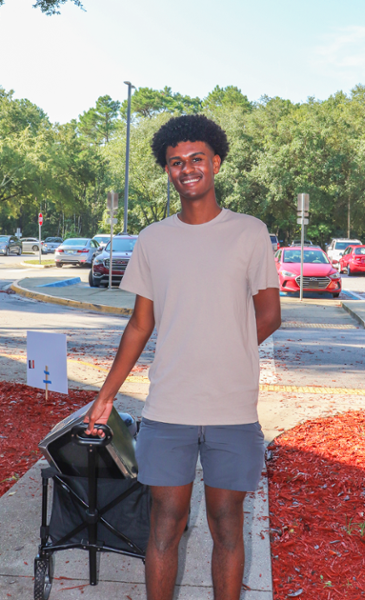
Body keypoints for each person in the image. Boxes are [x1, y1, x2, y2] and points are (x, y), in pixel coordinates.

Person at [84, 114, 281, 600]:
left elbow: (270, 314)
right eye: (176, 162)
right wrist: (105, 397)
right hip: (168, 409)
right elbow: (139, 324)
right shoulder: (152, 239)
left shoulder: (250, 233)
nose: (187, 169)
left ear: (216, 162)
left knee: (227, 526)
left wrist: (224, 350)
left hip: (231, 409)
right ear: (167, 171)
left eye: (196, 159)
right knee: (164, 526)